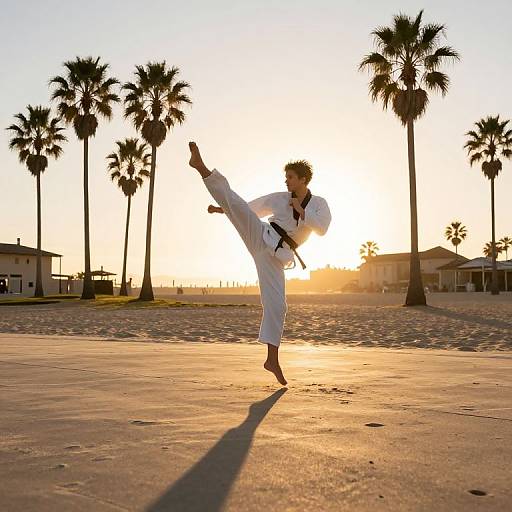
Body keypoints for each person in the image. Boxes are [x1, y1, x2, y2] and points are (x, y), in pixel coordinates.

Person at [188, 142, 331, 385]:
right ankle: (202, 168)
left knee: (278, 306)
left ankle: (271, 359)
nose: (286, 181)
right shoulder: (279, 198)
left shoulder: (319, 204)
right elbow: (248, 207)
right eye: (285, 177)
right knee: (235, 204)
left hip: (277, 256)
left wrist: (302, 211)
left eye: (291, 177)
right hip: (261, 234)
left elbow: (322, 229)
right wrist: (221, 210)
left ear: (303, 179)